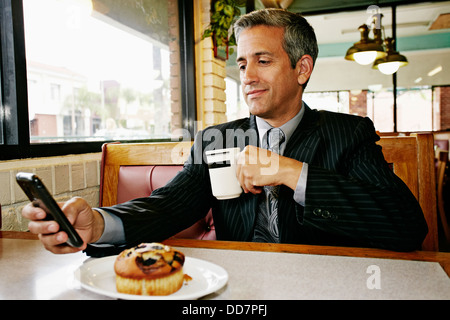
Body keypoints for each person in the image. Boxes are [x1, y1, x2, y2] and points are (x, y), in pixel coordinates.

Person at [22, 9, 427, 255]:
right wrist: (99, 222)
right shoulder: (219, 139)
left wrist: (290, 172)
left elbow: (406, 225)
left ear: (301, 69)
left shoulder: (349, 133)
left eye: (262, 60)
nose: (247, 76)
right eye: (243, 63)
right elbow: (169, 205)